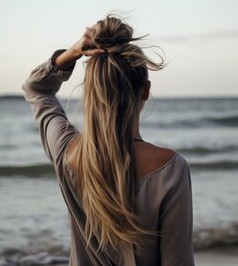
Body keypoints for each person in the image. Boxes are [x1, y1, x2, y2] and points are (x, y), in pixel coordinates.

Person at [22, 16, 195, 266]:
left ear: (91, 90)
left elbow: (36, 89)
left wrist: (72, 53)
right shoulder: (170, 169)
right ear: (145, 90)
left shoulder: (65, 150)